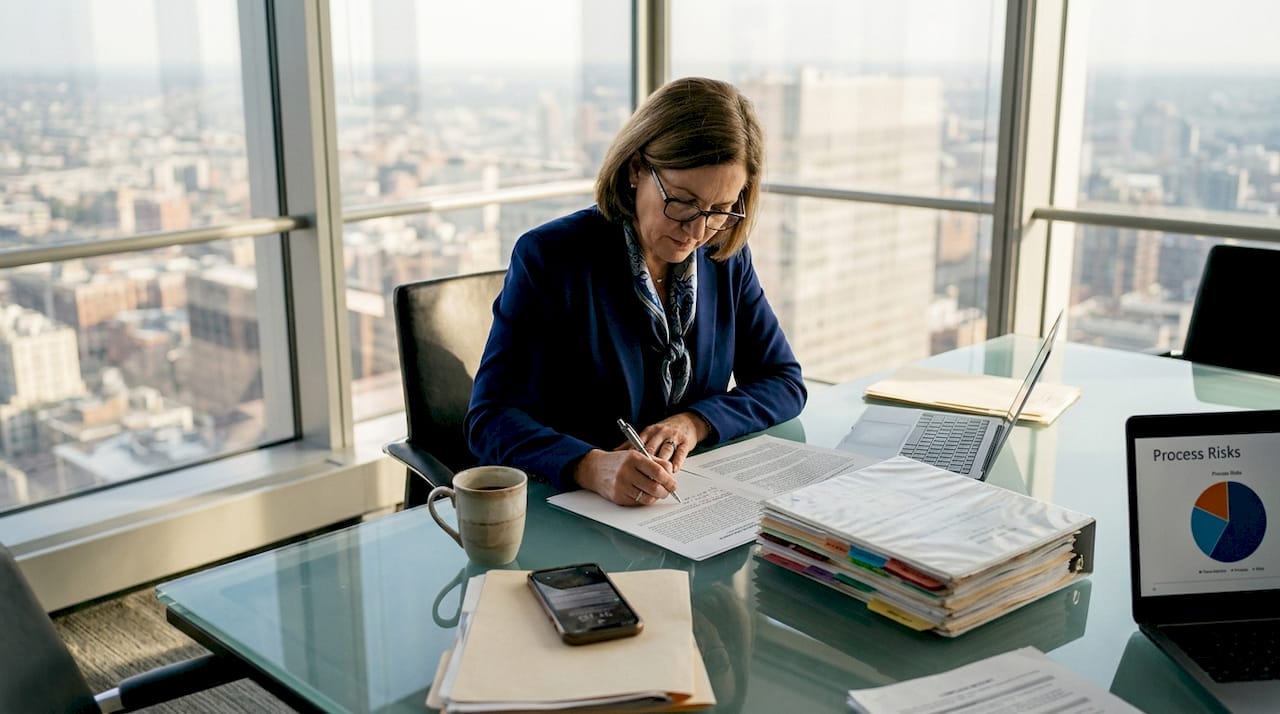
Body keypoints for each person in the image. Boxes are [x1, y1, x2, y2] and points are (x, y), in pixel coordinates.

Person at [466, 76, 806, 506]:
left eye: (720, 210)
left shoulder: (724, 255)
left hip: (684, 504)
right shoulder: (551, 258)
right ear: (636, 170)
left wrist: (694, 422)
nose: (698, 231)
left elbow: (783, 381)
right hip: (574, 510)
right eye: (682, 201)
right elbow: (490, 418)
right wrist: (589, 466)